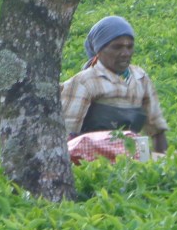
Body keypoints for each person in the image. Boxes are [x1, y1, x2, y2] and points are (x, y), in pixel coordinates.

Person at [60, 16, 168, 156]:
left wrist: (164, 163)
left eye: (129, 47)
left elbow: (156, 128)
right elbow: (67, 135)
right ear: (99, 50)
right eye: (117, 47)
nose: (125, 53)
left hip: (132, 158)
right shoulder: (85, 82)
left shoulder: (140, 78)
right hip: (93, 160)